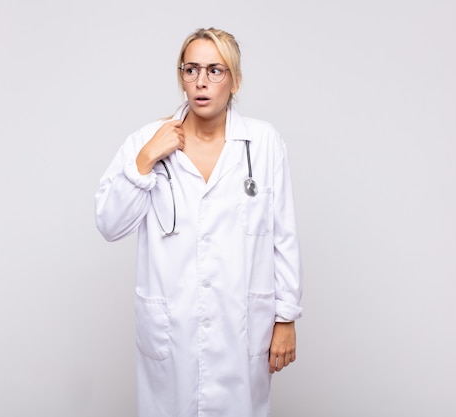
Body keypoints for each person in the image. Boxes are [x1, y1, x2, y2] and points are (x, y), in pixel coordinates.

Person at [95, 27, 303, 417]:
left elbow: (283, 235)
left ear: (235, 80)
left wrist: (286, 317)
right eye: (191, 70)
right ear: (181, 77)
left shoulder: (264, 142)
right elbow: (109, 224)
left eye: (215, 70)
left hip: (239, 328)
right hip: (173, 330)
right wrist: (144, 161)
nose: (201, 82)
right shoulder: (147, 140)